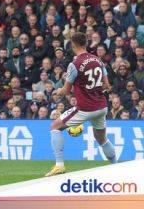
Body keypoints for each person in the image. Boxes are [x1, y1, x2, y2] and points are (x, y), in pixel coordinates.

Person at [45, 32, 116, 177]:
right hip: (101, 106)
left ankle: (59, 165)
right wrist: (92, 89)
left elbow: (66, 90)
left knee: (55, 127)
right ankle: (116, 167)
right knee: (102, 139)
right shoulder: (98, 60)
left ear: (73, 45)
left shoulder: (74, 64)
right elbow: (106, 85)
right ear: (86, 43)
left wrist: (58, 90)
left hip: (85, 108)